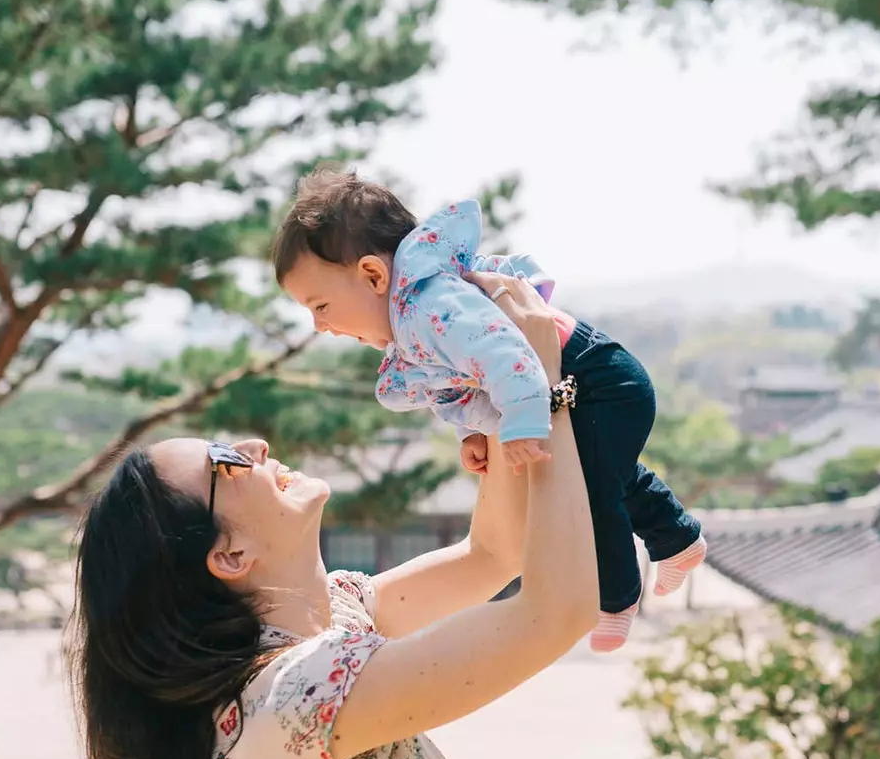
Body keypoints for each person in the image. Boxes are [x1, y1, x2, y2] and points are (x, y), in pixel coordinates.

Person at [68, 273, 597, 759]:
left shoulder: (333, 622)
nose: (253, 443)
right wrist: (544, 388)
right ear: (228, 557)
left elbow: (495, 555)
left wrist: (496, 413)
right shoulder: (290, 699)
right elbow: (557, 612)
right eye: (226, 460)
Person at [272, 169, 705, 652]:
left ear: (373, 275)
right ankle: (679, 540)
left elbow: (507, 355)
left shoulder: (430, 305)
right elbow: (461, 385)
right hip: (587, 377)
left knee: (594, 490)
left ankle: (617, 598)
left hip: (599, 377)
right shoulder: (413, 323)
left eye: (322, 305)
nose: (320, 325)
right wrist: (474, 433)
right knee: (608, 474)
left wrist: (522, 420)